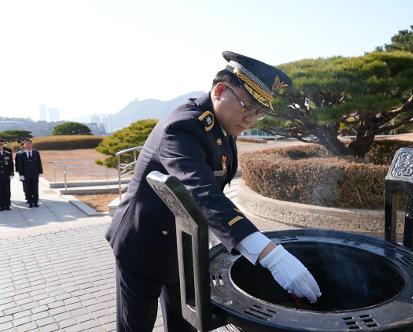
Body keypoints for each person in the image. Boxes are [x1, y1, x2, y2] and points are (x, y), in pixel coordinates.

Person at [105, 51, 322, 332]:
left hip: (184, 245)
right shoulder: (182, 127)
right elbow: (203, 194)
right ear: (220, 91)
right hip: (142, 243)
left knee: (185, 323)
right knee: (135, 325)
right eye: (248, 106)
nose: (251, 119)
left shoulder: (222, 126)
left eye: (259, 111)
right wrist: (270, 254)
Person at [16, 138, 43, 208]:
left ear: (32, 145)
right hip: (26, 175)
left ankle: (35, 202)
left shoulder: (36, 153)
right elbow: (20, 165)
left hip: (35, 174)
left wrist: (40, 172)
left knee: (35, 188)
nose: (28, 145)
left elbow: (39, 163)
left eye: (29, 144)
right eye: (26, 144)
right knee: (28, 189)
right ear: (24, 145)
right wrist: (21, 174)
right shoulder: (21, 154)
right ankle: (30, 202)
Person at [0, 138, 14, 211]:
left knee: (7, 190)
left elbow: (11, 164)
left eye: (1, 144)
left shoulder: (8, 154)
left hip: (6, 175)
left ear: (3, 145)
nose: (0, 146)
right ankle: (1, 205)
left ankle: (7, 205)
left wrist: (12, 173)